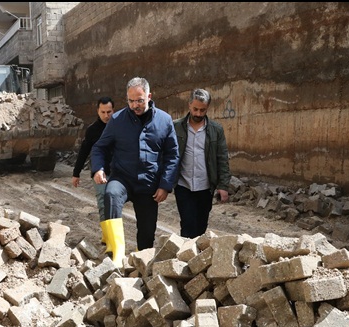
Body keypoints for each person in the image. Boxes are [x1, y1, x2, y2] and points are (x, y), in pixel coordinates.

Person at [91, 77, 179, 268]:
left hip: (149, 183)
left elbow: (172, 155)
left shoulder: (164, 121)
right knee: (111, 194)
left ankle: (142, 262)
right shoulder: (117, 120)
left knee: (147, 231)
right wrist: (98, 168)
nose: (135, 105)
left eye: (139, 100)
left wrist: (165, 185)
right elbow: (100, 148)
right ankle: (116, 255)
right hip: (122, 178)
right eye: (130, 101)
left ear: (149, 96)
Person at [173, 88, 231, 238]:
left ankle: (197, 257)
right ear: (189, 105)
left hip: (205, 187)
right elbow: (168, 155)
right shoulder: (176, 127)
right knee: (187, 224)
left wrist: (223, 186)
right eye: (195, 109)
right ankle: (186, 258)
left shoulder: (216, 130)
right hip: (183, 185)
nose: (198, 113)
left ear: (208, 108)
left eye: (202, 110)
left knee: (201, 226)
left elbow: (222, 158)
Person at [72, 97, 115, 249]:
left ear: (113, 111)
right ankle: (107, 237)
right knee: (103, 203)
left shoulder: (119, 126)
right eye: (103, 112)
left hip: (118, 172)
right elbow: (84, 152)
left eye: (109, 112)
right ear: (97, 111)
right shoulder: (92, 130)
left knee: (115, 204)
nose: (106, 115)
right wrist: (76, 173)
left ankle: (113, 234)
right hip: (99, 173)